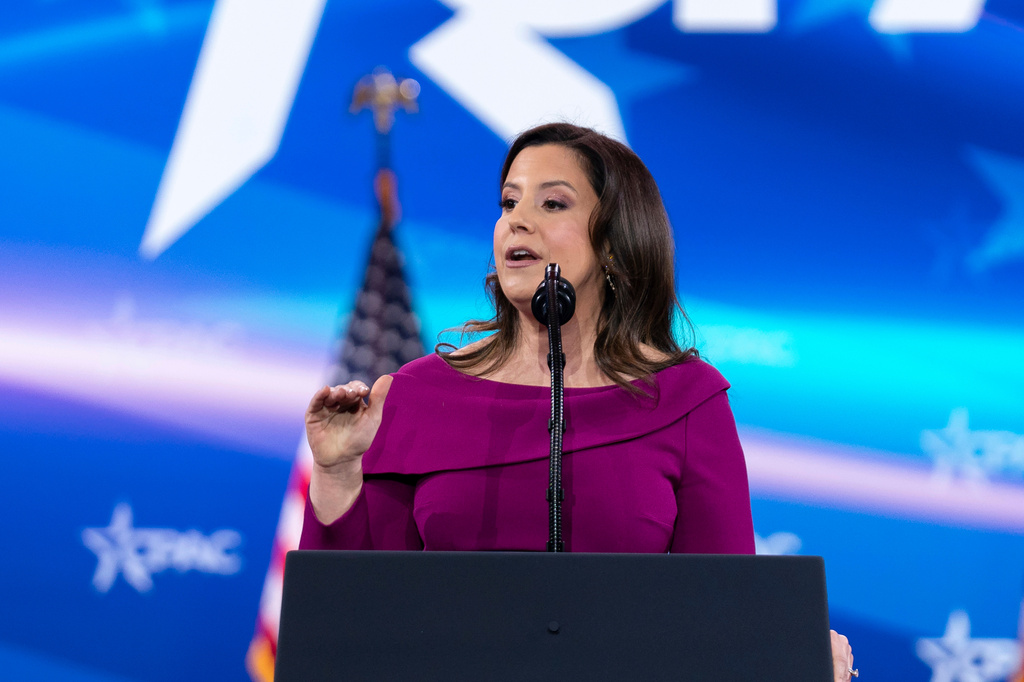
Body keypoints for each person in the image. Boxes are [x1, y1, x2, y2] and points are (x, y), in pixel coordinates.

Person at [299, 122, 856, 681]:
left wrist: (788, 658)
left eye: (553, 203)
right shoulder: (419, 394)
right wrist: (337, 470)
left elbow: (723, 619)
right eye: (509, 201)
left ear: (614, 242)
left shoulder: (686, 401)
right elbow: (353, 624)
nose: (517, 219)